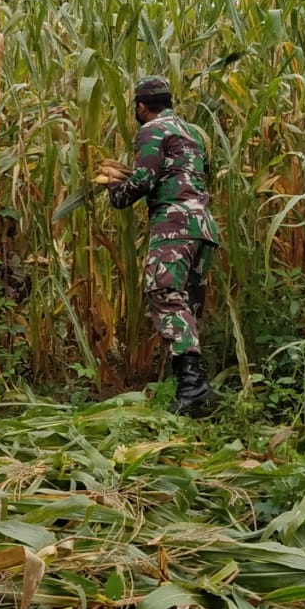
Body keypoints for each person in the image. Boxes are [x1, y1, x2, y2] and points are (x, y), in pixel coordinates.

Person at [107, 76, 219, 416]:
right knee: (187, 305)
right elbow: (200, 174)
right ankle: (196, 393)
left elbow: (145, 178)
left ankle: (192, 390)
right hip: (202, 228)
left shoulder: (152, 130)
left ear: (141, 107)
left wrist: (116, 191)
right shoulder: (194, 133)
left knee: (165, 295)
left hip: (174, 226)